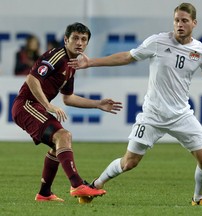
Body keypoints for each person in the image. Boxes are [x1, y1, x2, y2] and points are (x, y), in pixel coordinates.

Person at [69, 3, 202, 206]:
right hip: (152, 115)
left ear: (194, 23)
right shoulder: (157, 41)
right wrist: (91, 62)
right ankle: (94, 185)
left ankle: (198, 199)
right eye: (176, 20)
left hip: (181, 115)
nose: (179, 24)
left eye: (184, 21)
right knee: (129, 162)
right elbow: (127, 57)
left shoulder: (201, 51)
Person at [11, 22, 123, 202]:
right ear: (66, 40)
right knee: (63, 136)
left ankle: (44, 193)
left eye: (84, 39)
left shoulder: (71, 65)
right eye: (75, 38)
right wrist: (48, 106)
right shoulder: (57, 56)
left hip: (35, 106)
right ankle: (77, 185)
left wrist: (97, 104)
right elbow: (32, 79)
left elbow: (68, 98)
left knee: (60, 144)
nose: (79, 42)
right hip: (26, 105)